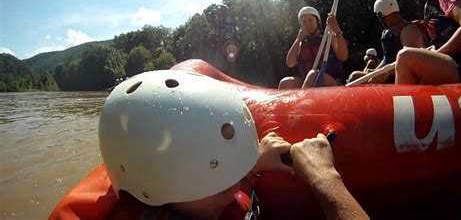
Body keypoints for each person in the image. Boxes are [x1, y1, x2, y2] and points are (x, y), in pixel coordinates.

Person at [50, 70, 367, 220]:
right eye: (216, 181)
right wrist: (328, 181)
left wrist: (250, 164)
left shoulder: (172, 195)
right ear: (153, 184)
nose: (233, 189)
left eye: (231, 176)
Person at [278, 6, 348, 89]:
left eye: (310, 20)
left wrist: (337, 30)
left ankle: (303, 100)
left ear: (317, 22)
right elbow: (290, 63)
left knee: (313, 75)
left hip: (331, 80)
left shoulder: (329, 37)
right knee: (286, 82)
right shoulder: (301, 42)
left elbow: (343, 57)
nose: (307, 23)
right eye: (304, 22)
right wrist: (298, 39)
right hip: (308, 81)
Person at [364, 0, 426, 84]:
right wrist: (375, 72)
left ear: (381, 14)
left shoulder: (408, 30)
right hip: (391, 76)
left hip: (404, 79)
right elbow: (387, 59)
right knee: (355, 76)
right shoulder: (390, 31)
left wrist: (384, 73)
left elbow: (410, 62)